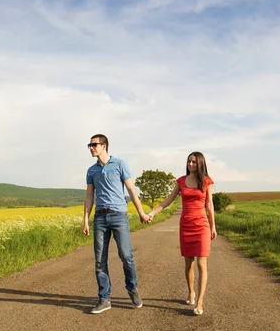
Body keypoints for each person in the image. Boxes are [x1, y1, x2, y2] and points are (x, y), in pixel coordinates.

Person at [83, 134, 150, 314]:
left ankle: (132, 289)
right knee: (99, 260)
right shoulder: (91, 170)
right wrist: (85, 220)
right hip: (100, 218)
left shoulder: (119, 164)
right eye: (89, 145)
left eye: (94, 144)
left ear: (104, 146)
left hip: (119, 216)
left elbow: (130, 189)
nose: (91, 147)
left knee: (126, 256)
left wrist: (141, 213)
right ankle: (104, 299)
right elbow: (89, 197)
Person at [147, 151, 217, 315]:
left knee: (201, 264)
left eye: (193, 162)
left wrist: (213, 225)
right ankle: (191, 291)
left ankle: (199, 302)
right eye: (189, 162)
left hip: (202, 226)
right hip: (186, 225)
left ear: (200, 163)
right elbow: (168, 200)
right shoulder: (181, 181)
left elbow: (210, 205)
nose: (190, 164)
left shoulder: (207, 181)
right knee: (188, 264)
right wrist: (152, 213)